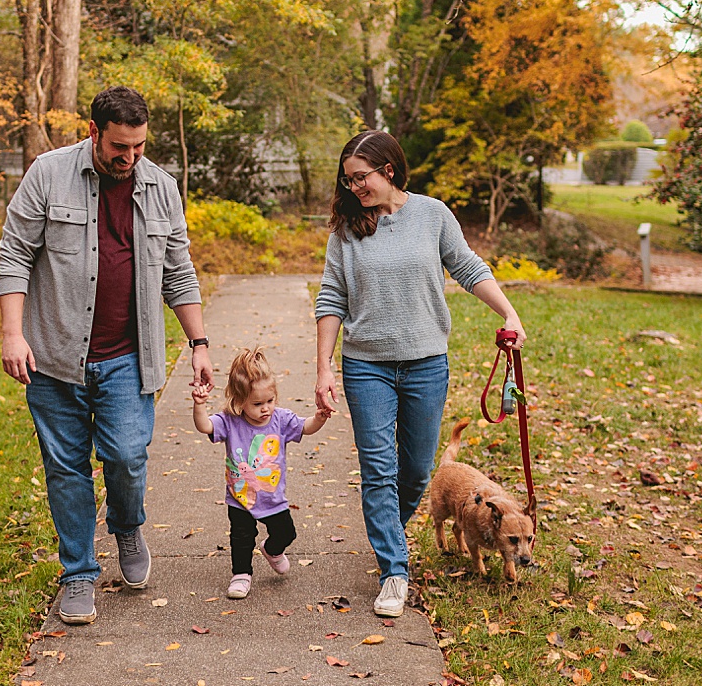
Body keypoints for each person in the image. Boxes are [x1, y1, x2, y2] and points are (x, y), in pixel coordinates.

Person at [0, 86, 215, 626]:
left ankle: (127, 525)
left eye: (139, 147)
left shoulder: (161, 187)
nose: (130, 158)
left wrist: (200, 342)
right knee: (66, 468)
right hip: (52, 357)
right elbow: (14, 254)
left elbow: (178, 271)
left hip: (127, 357)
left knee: (125, 457)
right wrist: (11, 334)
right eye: (120, 146)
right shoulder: (48, 174)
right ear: (93, 132)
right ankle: (78, 573)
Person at [313, 129, 526, 618]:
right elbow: (331, 298)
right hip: (366, 364)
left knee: (413, 472)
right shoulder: (346, 231)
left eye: (360, 177)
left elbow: (469, 267)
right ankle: (394, 568)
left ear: (388, 170)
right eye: (347, 180)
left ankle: (389, 526)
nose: (353, 188)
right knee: (378, 468)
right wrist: (323, 365)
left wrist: (508, 314)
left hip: (427, 361)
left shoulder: (432, 214)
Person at [192, 347, 333, 599]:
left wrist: (319, 418)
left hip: (272, 496)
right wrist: (199, 406)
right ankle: (241, 575)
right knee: (241, 538)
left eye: (269, 401)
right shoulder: (230, 420)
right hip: (240, 496)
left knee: (287, 532)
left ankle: (272, 550)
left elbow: (305, 427)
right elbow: (205, 426)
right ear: (239, 401)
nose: (265, 408)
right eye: (257, 404)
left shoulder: (281, 419)